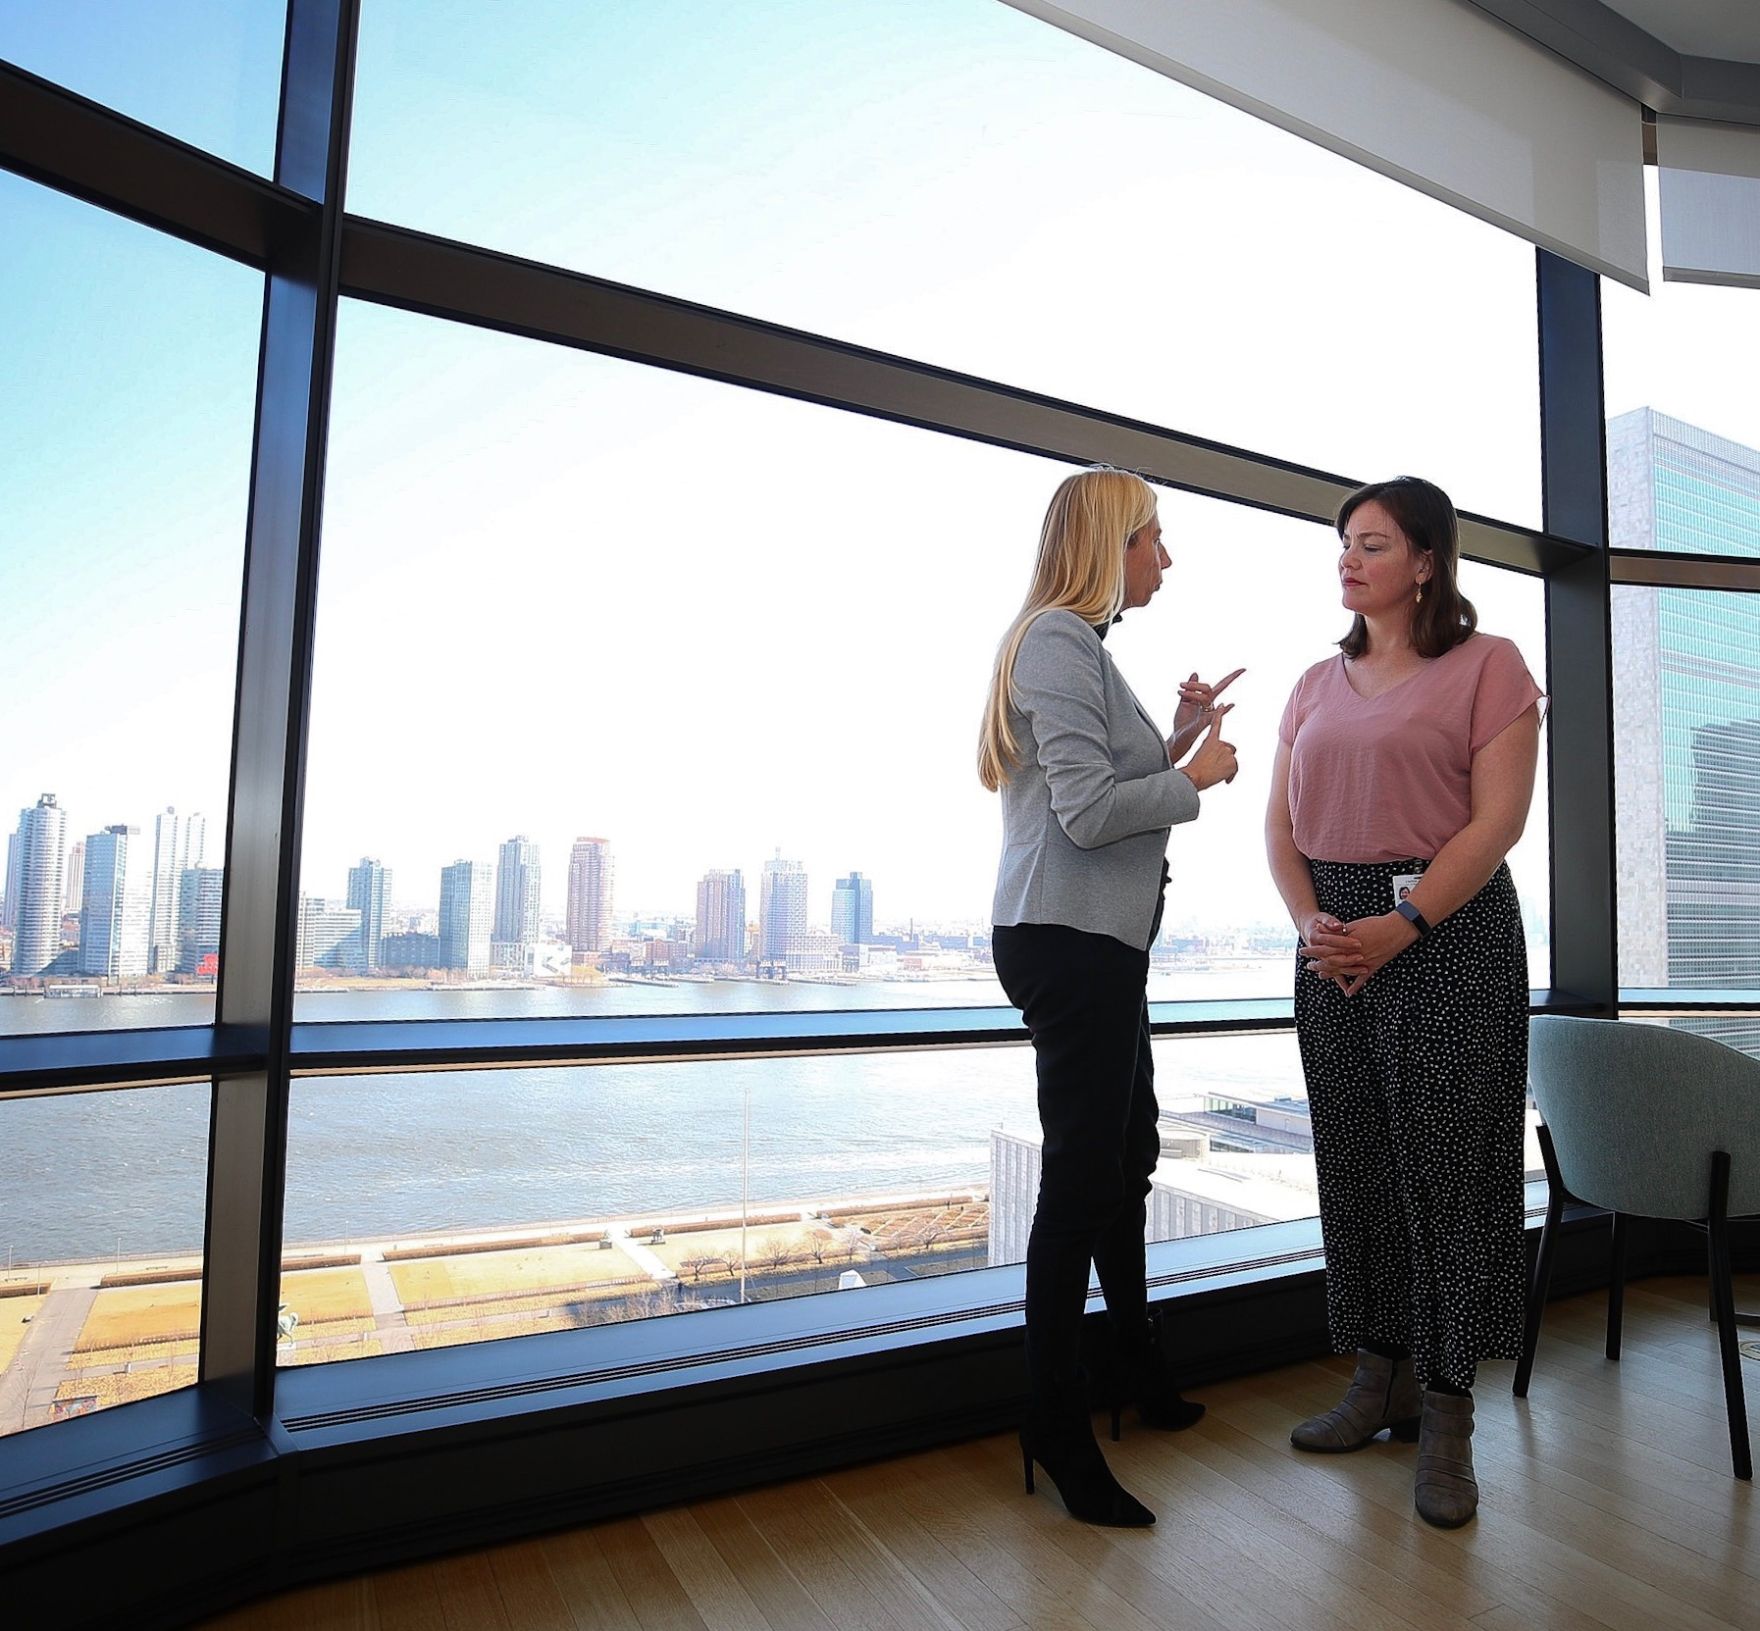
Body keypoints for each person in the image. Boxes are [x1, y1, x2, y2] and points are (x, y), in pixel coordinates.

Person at [1264, 476, 1543, 1529]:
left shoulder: (1488, 665)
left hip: (1447, 927)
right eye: (1343, 543)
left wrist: (1405, 923)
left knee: (1447, 1167)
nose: (1348, 558)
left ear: (1425, 560)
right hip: (1330, 935)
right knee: (1357, 1161)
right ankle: (1374, 1377)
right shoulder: (1310, 682)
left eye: (1371, 543)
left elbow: (1495, 821)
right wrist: (1310, 925)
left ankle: (1446, 1410)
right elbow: (1279, 824)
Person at [980, 466, 1242, 1527]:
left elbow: (1093, 791)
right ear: (1107, 543)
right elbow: (1089, 817)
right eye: (1152, 538)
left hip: (1099, 940)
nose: (1165, 557)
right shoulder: (1052, 639)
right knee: (1080, 1182)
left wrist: (1172, 738)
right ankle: (1053, 1415)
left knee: (1124, 1155)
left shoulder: (1081, 649)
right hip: (1066, 940)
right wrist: (1201, 776)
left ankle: (1130, 1362)